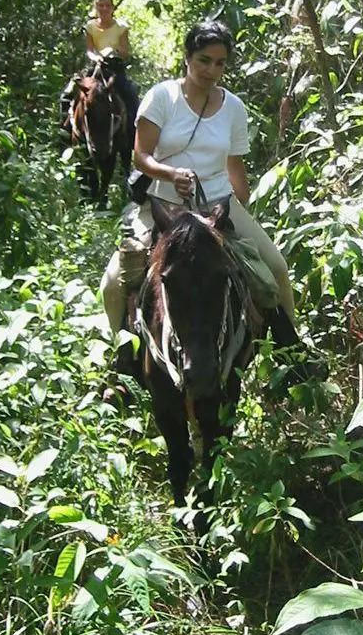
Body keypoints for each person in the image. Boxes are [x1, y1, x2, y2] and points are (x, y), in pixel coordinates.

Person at [100, 21, 317, 378]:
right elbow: (141, 157)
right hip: (162, 207)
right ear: (187, 57)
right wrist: (172, 175)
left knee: (275, 269)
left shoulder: (233, 108)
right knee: (114, 281)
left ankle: (292, 355)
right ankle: (120, 359)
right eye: (204, 60)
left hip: (218, 205)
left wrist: (240, 208)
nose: (211, 70)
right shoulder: (162, 98)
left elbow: (234, 164)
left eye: (219, 63)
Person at [60, 0, 138, 139]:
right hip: (96, 67)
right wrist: (96, 57)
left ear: (112, 8)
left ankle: (133, 135)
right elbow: (89, 50)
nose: (104, 9)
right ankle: (65, 132)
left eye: (107, 5)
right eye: (100, 5)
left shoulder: (121, 27)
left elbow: (125, 53)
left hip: (115, 68)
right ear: (96, 7)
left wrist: (113, 50)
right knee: (68, 93)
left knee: (131, 95)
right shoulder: (90, 26)